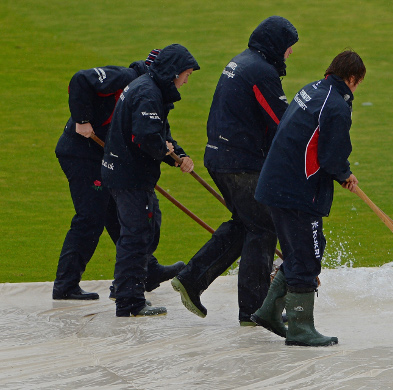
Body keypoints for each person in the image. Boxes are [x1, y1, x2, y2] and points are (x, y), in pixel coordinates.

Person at [171, 16, 299, 326]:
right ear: (276, 44)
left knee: (246, 223)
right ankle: (254, 311)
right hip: (239, 163)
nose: (290, 54)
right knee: (263, 227)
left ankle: (192, 278)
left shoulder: (244, 62)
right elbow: (281, 123)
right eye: (289, 47)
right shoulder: (261, 71)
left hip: (220, 156)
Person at [250, 50, 366, 346]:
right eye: (357, 84)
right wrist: (343, 173)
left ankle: (268, 311)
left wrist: (340, 171)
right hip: (297, 191)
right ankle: (301, 328)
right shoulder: (337, 107)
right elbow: (331, 155)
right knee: (307, 256)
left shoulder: (311, 89)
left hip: (276, 184)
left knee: (302, 249)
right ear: (351, 79)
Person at [53, 50, 185, 301]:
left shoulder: (152, 93)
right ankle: (65, 286)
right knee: (91, 217)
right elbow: (81, 79)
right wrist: (82, 119)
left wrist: (176, 155)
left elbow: (156, 131)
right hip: (82, 153)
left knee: (126, 215)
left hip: (105, 157)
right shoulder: (126, 78)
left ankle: (143, 271)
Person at [101, 44, 199, 317]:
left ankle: (133, 284)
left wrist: (177, 153)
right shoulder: (148, 92)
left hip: (128, 173)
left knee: (148, 228)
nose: (186, 81)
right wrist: (168, 154)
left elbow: (159, 133)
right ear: (174, 72)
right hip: (129, 176)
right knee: (136, 238)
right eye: (186, 75)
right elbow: (147, 137)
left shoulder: (150, 88)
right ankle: (129, 301)